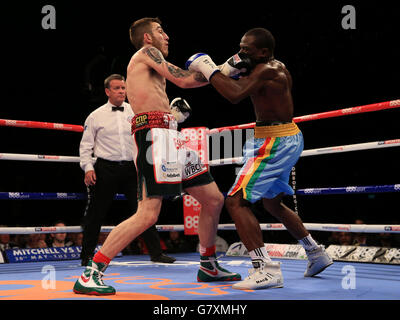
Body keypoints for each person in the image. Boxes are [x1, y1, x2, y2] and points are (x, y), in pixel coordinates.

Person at [73, 17, 240, 296]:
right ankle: (92, 273)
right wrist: (221, 69)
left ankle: (208, 264)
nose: (167, 36)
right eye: (160, 31)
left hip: (170, 134)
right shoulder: (146, 53)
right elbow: (186, 79)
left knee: (213, 199)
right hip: (154, 137)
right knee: (148, 214)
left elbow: (187, 81)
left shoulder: (151, 65)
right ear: (147, 38)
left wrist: (224, 68)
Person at [186, 27, 333, 290]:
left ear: (264, 52)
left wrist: (209, 68)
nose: (241, 53)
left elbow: (233, 95)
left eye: (247, 50)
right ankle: (315, 252)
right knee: (273, 203)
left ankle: (266, 269)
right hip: (278, 138)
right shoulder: (262, 66)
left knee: (235, 201)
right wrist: (221, 69)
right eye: (240, 47)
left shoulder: (267, 70)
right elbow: (228, 81)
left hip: (273, 142)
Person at [78, 73, 176, 266]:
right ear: (107, 91)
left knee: (145, 211)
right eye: (117, 88)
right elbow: (85, 146)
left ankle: (156, 253)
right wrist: (88, 168)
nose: (122, 91)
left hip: (133, 169)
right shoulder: (95, 116)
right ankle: (87, 256)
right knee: (96, 213)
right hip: (105, 168)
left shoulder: (136, 112)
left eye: (123, 88)